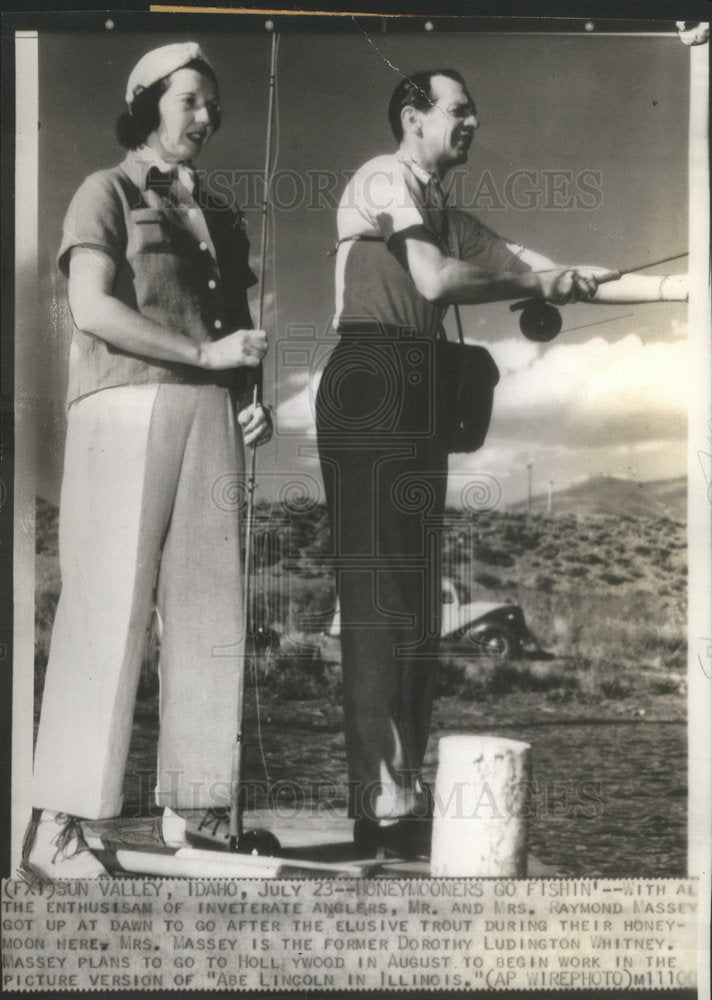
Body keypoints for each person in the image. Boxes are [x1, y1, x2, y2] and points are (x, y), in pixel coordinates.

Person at [316, 69, 688, 858]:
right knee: (380, 596)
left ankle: (400, 799)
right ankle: (375, 804)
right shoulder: (386, 178)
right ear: (413, 118)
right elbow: (435, 279)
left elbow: (553, 269)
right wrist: (531, 278)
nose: (474, 120)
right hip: (373, 377)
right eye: (459, 109)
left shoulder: (451, 214)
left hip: (418, 387)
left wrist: (683, 286)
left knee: (414, 601)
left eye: (475, 109)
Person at [22, 42, 272, 879]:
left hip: (210, 412)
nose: (207, 118)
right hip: (122, 405)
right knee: (108, 613)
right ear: (148, 103)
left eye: (212, 105)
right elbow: (91, 308)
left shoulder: (224, 217)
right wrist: (205, 360)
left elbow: (233, 326)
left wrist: (246, 395)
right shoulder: (108, 191)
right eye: (190, 102)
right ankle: (58, 828)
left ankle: (194, 818)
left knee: (210, 621)